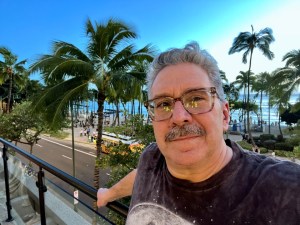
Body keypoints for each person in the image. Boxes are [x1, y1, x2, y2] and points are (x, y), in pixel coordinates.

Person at [97, 42, 300, 224]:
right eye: (163, 104)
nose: (178, 116)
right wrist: (108, 194)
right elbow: (141, 175)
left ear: (225, 115)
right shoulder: (152, 158)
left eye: (196, 98)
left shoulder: (285, 188)